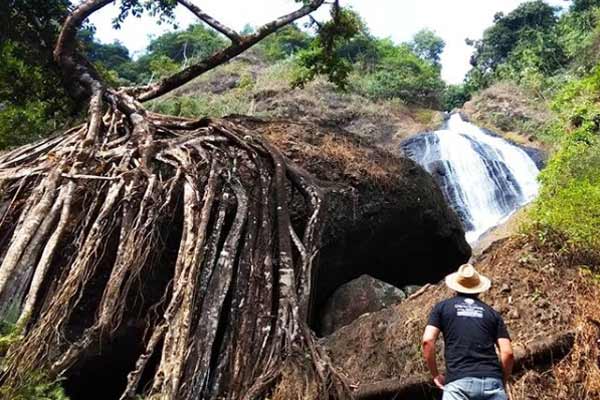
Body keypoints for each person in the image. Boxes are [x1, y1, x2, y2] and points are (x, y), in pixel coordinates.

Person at [422, 264, 514, 400]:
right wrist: (502, 381)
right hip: (492, 382)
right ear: (479, 289)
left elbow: (427, 341)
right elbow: (507, 353)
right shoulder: (492, 314)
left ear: (455, 287)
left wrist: (435, 374)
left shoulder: (442, 308)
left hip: (458, 385)